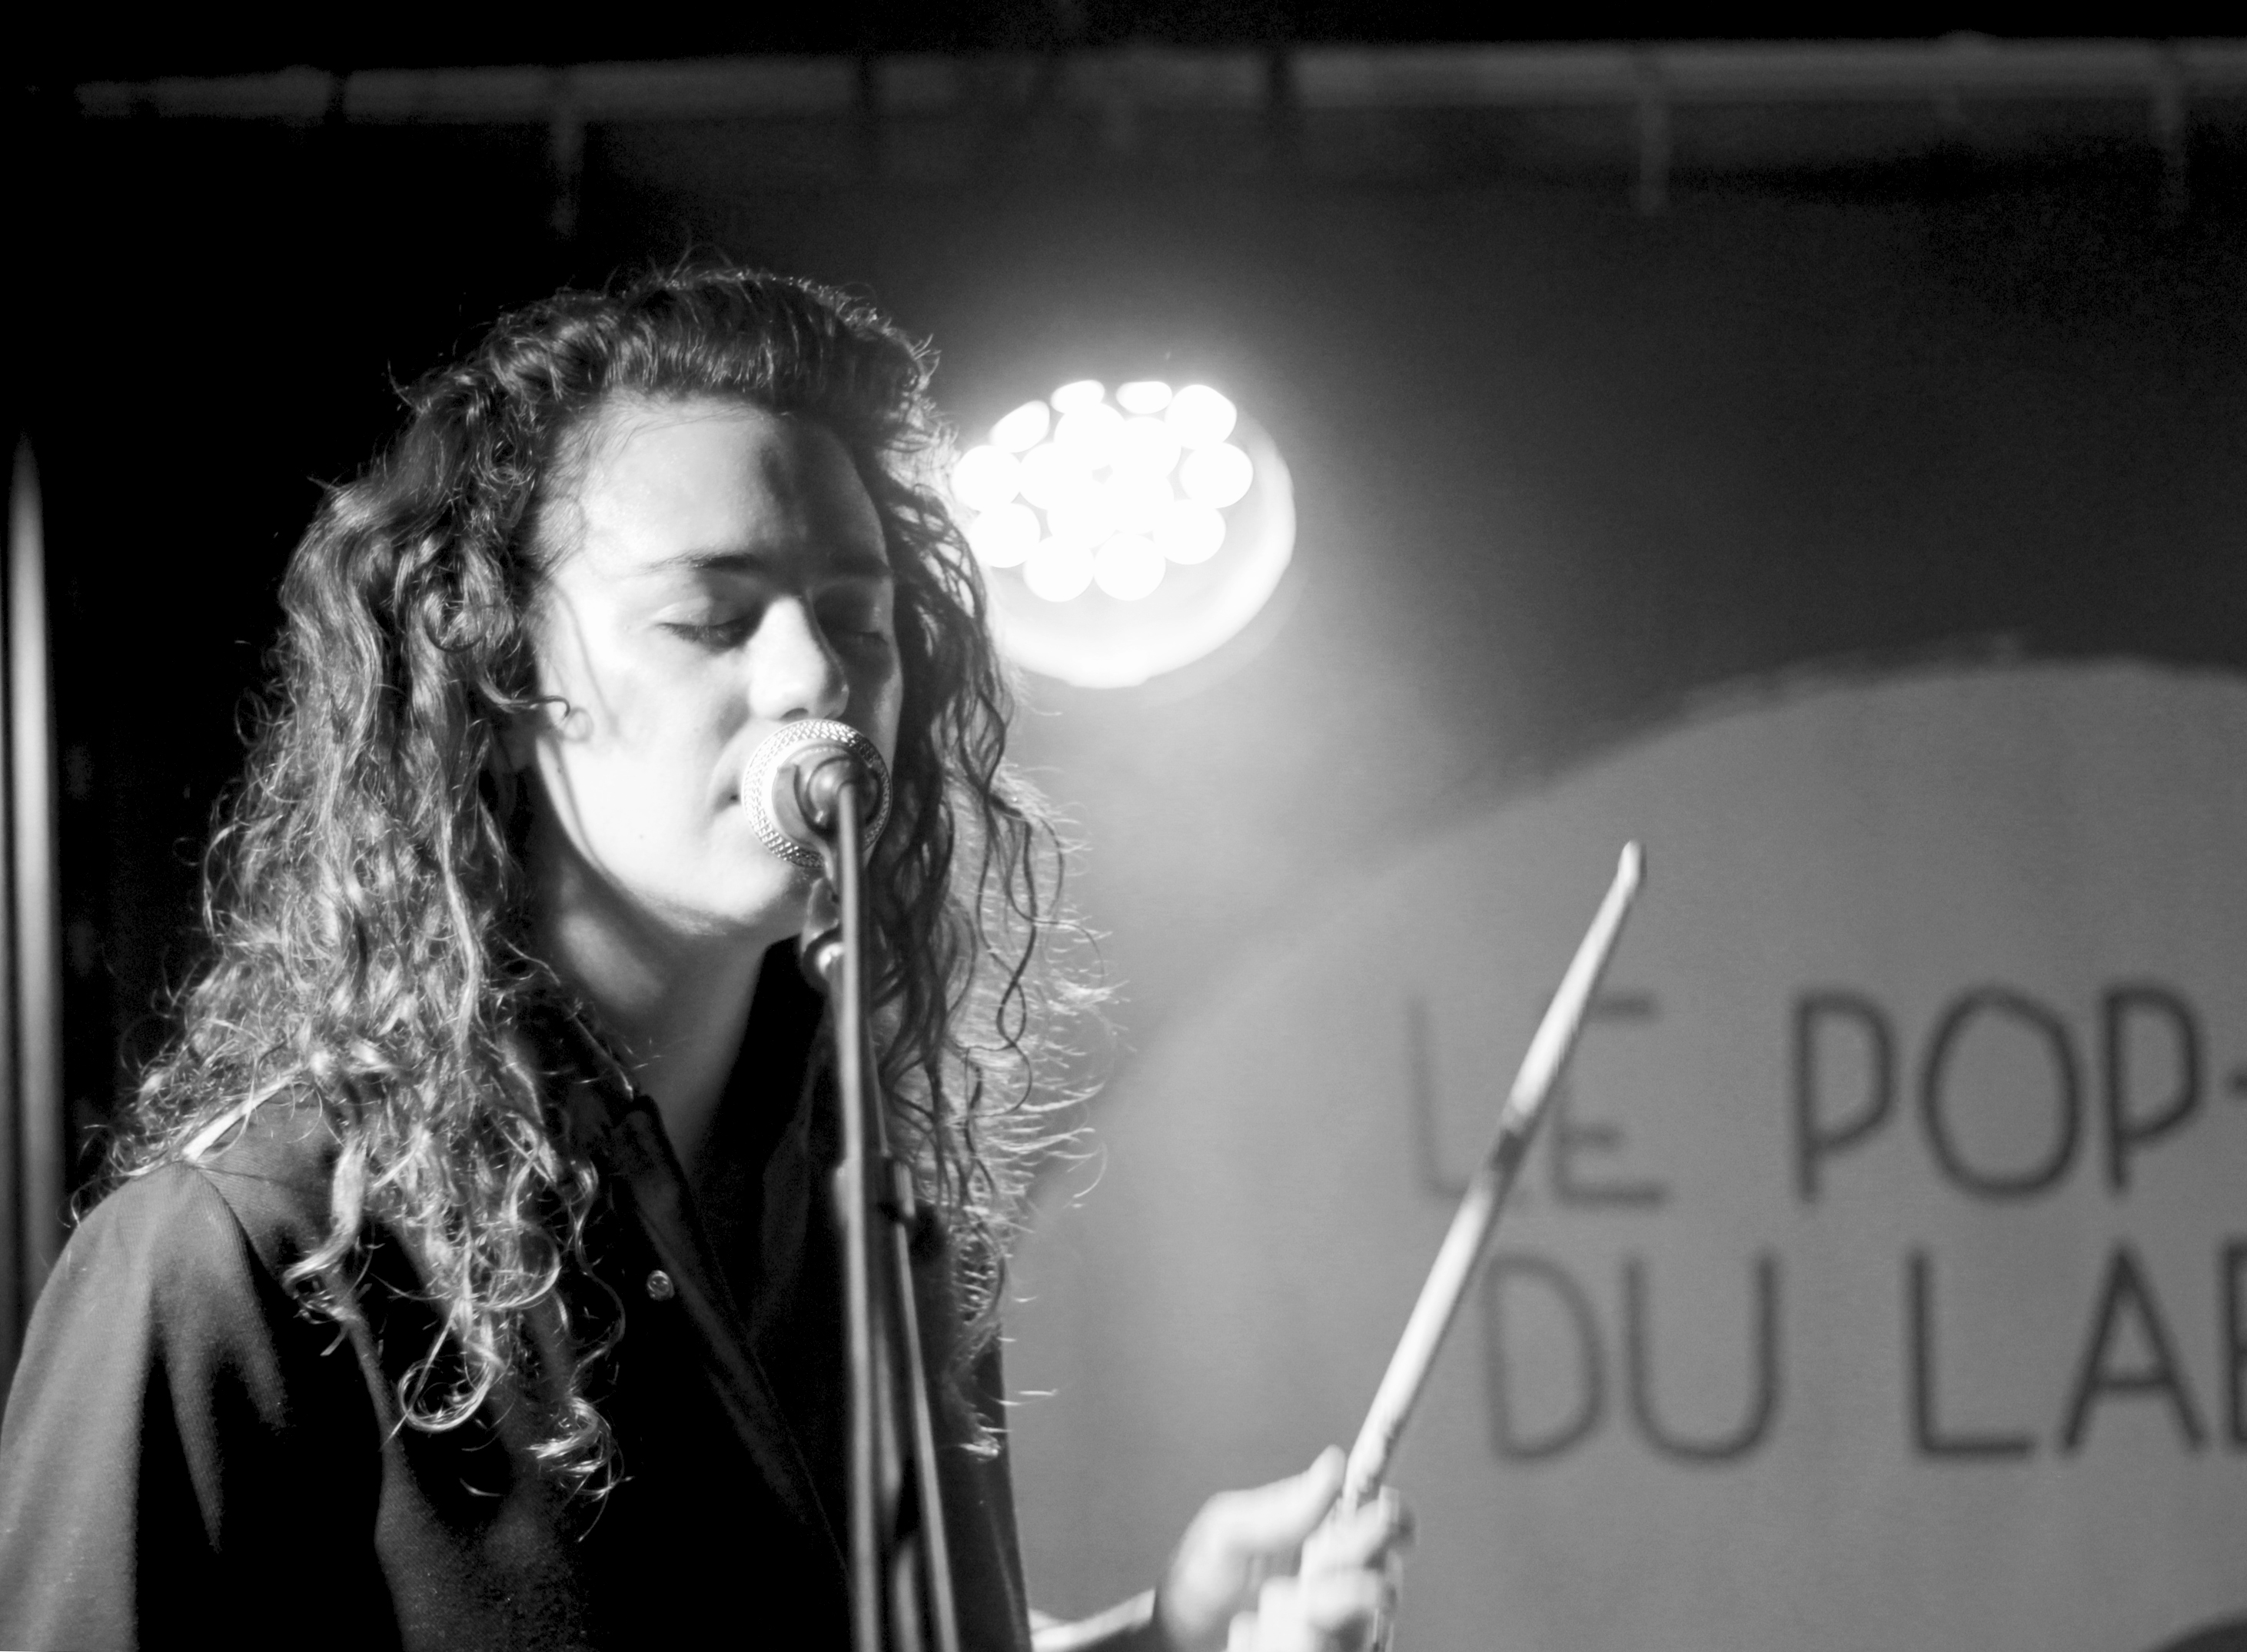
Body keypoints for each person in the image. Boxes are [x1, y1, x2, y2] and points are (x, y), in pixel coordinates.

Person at [0, 267, 1406, 1650]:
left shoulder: (874, 1224)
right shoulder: (242, 1254)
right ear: (496, 681)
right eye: (710, 619)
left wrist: (1174, 1644)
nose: (818, 679)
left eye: (856, 619)